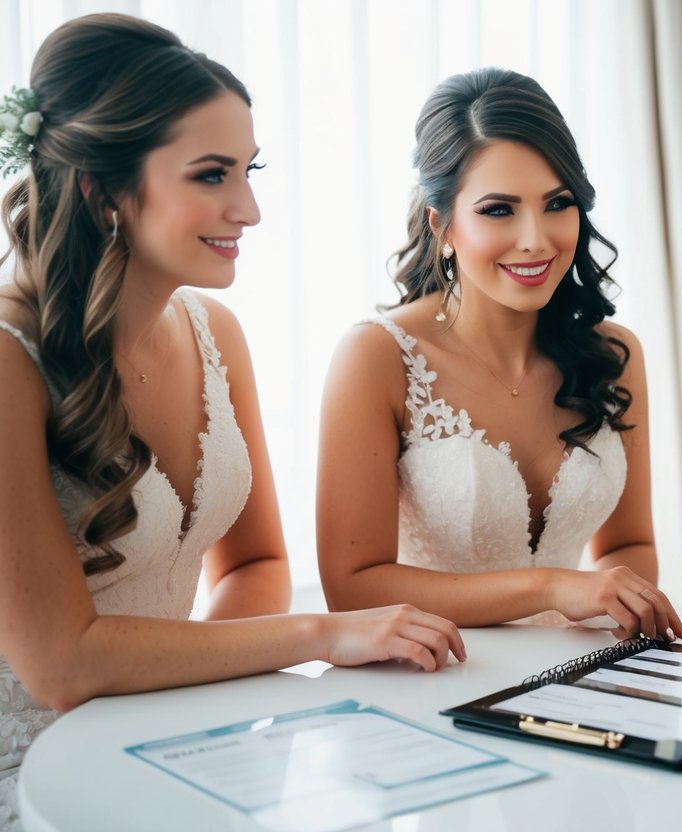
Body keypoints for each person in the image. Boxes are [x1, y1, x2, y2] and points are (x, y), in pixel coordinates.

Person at [0, 15, 465, 828]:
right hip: (32, 782)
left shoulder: (215, 336)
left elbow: (255, 563)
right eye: (212, 175)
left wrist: (182, 723)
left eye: (249, 171)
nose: (247, 209)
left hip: (156, 750)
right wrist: (322, 634)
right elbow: (61, 665)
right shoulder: (9, 360)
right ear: (99, 187)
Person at [316, 68, 682, 641]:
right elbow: (353, 586)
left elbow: (628, 545)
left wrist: (622, 619)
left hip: (580, 680)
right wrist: (550, 588)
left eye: (557, 203)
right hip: (433, 676)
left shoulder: (615, 353)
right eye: (498, 210)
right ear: (443, 224)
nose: (536, 239)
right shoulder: (378, 357)